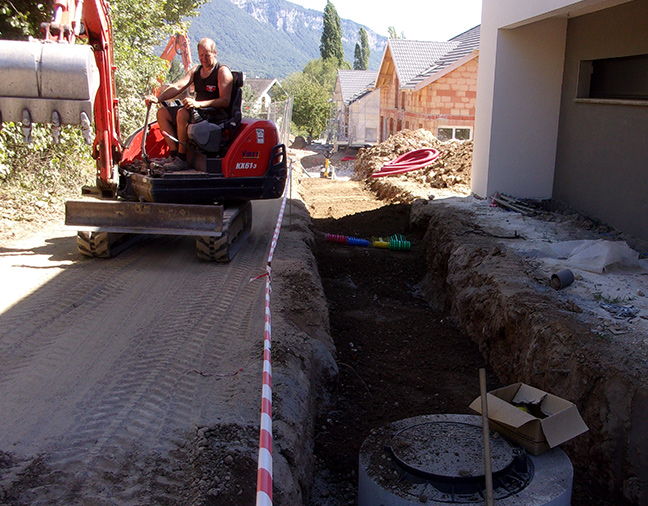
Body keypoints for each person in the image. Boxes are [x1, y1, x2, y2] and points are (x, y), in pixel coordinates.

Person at [145, 38, 234, 171]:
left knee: (182, 113)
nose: (203, 58)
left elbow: (225, 101)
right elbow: (178, 85)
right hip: (198, 110)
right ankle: (174, 154)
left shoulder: (222, 72)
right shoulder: (196, 71)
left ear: (215, 53)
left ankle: (182, 159)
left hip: (214, 113)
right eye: (201, 55)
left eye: (207, 55)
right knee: (162, 113)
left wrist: (198, 104)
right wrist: (158, 98)